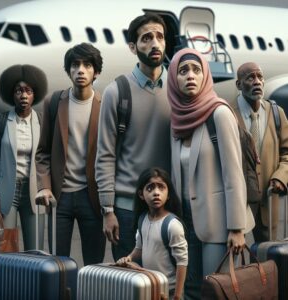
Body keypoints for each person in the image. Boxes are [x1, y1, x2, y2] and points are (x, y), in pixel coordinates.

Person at [167, 49, 255, 299]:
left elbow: (233, 173)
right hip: (185, 222)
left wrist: (236, 227)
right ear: (174, 78)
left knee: (216, 290)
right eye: (183, 71)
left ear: (206, 75)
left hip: (218, 224)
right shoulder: (175, 121)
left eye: (197, 70)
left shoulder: (219, 113)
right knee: (190, 291)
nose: (190, 76)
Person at [95, 13, 171, 261]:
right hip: (126, 211)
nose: (155, 43)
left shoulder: (178, 87)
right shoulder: (116, 91)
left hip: (167, 208)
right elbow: (104, 154)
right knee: (130, 284)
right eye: (146, 38)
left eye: (159, 36)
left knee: (165, 282)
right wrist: (108, 210)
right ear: (133, 46)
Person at [35, 43, 105, 265]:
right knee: (57, 264)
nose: (80, 70)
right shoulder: (54, 102)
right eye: (75, 65)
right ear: (68, 70)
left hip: (91, 196)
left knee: (94, 264)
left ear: (96, 72)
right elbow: (43, 152)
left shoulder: (105, 106)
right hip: (60, 197)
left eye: (87, 65)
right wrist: (44, 186)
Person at [0, 64, 47, 250]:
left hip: (34, 193)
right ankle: (6, 280)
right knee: (5, 248)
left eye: (28, 91)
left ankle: (30, 280)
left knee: (34, 249)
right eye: (18, 91)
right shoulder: (1, 120)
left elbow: (46, 159)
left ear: (34, 94)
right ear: (11, 94)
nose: (23, 95)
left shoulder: (42, 121)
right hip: (7, 192)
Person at [231, 62, 288, 242]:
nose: (257, 82)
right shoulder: (227, 114)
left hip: (268, 201)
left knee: (267, 255)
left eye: (260, 77)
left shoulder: (277, 113)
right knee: (236, 257)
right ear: (239, 85)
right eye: (250, 78)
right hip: (238, 204)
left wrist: (281, 176)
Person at [117, 167, 187, 300]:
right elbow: (139, 248)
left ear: (169, 194)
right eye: (150, 188)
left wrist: (177, 295)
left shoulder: (172, 225)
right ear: (141, 194)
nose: (156, 193)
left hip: (169, 291)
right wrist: (129, 258)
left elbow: (182, 262)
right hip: (150, 287)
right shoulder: (142, 219)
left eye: (161, 188)